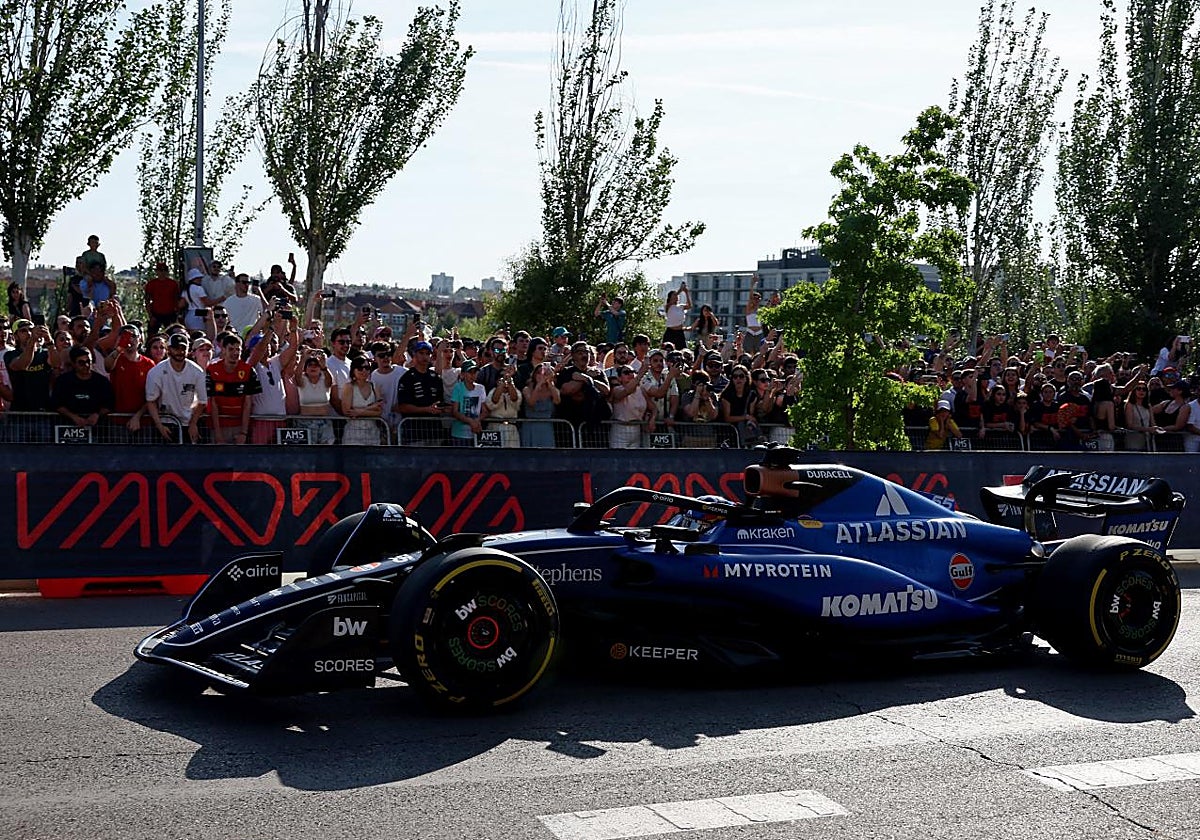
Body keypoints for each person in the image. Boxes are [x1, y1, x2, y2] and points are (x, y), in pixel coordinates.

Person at [146, 333, 207, 443]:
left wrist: (193, 424)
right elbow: (151, 401)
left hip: (188, 423)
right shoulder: (156, 372)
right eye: (176, 348)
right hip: (166, 422)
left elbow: (202, 401)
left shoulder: (197, 372)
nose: (180, 352)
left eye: (183, 348)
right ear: (168, 350)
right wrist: (159, 425)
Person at [205, 332, 261, 444]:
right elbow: (213, 402)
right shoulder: (212, 369)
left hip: (239, 426)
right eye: (231, 349)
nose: (235, 353)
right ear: (223, 350)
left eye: (238, 350)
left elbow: (248, 403)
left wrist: (244, 433)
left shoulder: (248, 370)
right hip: (218, 426)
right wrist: (217, 433)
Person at [395, 340, 449, 445]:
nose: (424, 356)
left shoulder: (435, 377)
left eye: (427, 353)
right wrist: (426, 409)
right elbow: (402, 407)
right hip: (414, 433)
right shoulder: (407, 378)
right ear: (414, 355)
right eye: (421, 353)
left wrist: (444, 408)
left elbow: (440, 402)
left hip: (434, 432)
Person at [50, 346, 114, 435]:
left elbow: (109, 404)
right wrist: (73, 417)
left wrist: (97, 415)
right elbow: (56, 403)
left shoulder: (102, 381)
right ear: (73, 364)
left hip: (97, 430)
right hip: (67, 429)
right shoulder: (63, 381)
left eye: (89, 362)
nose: (86, 365)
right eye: (81, 363)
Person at [294, 348, 335, 444]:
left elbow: (330, 382)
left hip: (325, 423)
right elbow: (297, 375)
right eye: (310, 365)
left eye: (316, 365)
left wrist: (324, 366)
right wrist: (304, 358)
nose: (313, 367)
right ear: (306, 368)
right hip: (305, 423)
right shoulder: (302, 380)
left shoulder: (325, 378)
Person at [341, 356, 384, 445]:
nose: (364, 371)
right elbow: (347, 411)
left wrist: (359, 412)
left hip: (372, 433)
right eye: (360, 368)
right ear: (353, 370)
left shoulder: (374, 386)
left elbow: (379, 411)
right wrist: (372, 407)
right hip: (353, 434)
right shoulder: (349, 387)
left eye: (367, 368)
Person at [607, 365, 651, 448]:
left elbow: (653, 408)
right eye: (626, 373)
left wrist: (651, 418)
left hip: (636, 429)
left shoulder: (641, 390)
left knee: (634, 459)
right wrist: (640, 374)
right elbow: (627, 391)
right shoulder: (616, 390)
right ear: (619, 378)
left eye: (632, 372)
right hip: (620, 429)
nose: (630, 374)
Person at [522, 361, 560, 448]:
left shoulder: (552, 389)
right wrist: (539, 385)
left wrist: (549, 382)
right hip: (530, 426)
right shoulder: (527, 389)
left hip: (546, 427)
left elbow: (557, 401)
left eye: (544, 373)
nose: (541, 375)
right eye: (539, 373)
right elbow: (531, 402)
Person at [448, 359, 487, 446]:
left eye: (475, 372)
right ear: (463, 374)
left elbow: (485, 411)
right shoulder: (458, 388)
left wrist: (477, 421)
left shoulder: (481, 388)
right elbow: (455, 411)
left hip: (476, 433)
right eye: (470, 372)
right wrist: (470, 421)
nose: (473, 375)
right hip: (459, 434)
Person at [720, 364, 759, 446]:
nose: (738, 379)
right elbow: (727, 418)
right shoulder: (726, 395)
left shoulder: (752, 394)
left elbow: (751, 415)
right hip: (729, 433)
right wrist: (745, 417)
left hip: (746, 433)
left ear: (746, 378)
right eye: (735, 376)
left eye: (741, 376)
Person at [484, 367, 522, 447]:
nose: (505, 380)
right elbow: (494, 402)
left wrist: (510, 383)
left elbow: (515, 399)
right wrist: (501, 385)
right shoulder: (492, 392)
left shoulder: (516, 391)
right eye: (502, 377)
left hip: (511, 428)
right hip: (495, 428)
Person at [143, 261, 181, 335]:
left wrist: (177, 313)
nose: (162, 272)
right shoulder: (151, 284)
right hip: (156, 313)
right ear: (156, 271)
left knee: (172, 334)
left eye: (164, 270)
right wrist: (150, 316)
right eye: (160, 270)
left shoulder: (173, 284)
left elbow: (177, 298)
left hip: (170, 313)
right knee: (151, 335)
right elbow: (147, 300)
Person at [1122, 379, 1159, 451]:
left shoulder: (1148, 406)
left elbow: (1153, 423)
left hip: (1147, 441)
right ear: (1134, 391)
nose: (1141, 391)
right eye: (1138, 389)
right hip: (1133, 441)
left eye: (1144, 389)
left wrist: (1157, 429)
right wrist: (1147, 429)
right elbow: (1130, 425)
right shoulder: (1129, 405)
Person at [661, 282, 690, 349]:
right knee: (667, 349)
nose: (676, 297)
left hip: (679, 332)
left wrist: (686, 292)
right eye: (674, 295)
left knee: (682, 349)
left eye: (676, 295)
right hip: (670, 332)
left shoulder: (681, 307)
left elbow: (689, 305)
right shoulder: (668, 306)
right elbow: (672, 301)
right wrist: (680, 290)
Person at [743, 275, 764, 354]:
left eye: (758, 298)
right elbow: (750, 297)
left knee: (759, 352)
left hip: (759, 332)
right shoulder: (749, 309)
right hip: (750, 332)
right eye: (754, 298)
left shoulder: (761, 310)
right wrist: (752, 284)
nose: (756, 300)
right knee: (747, 352)